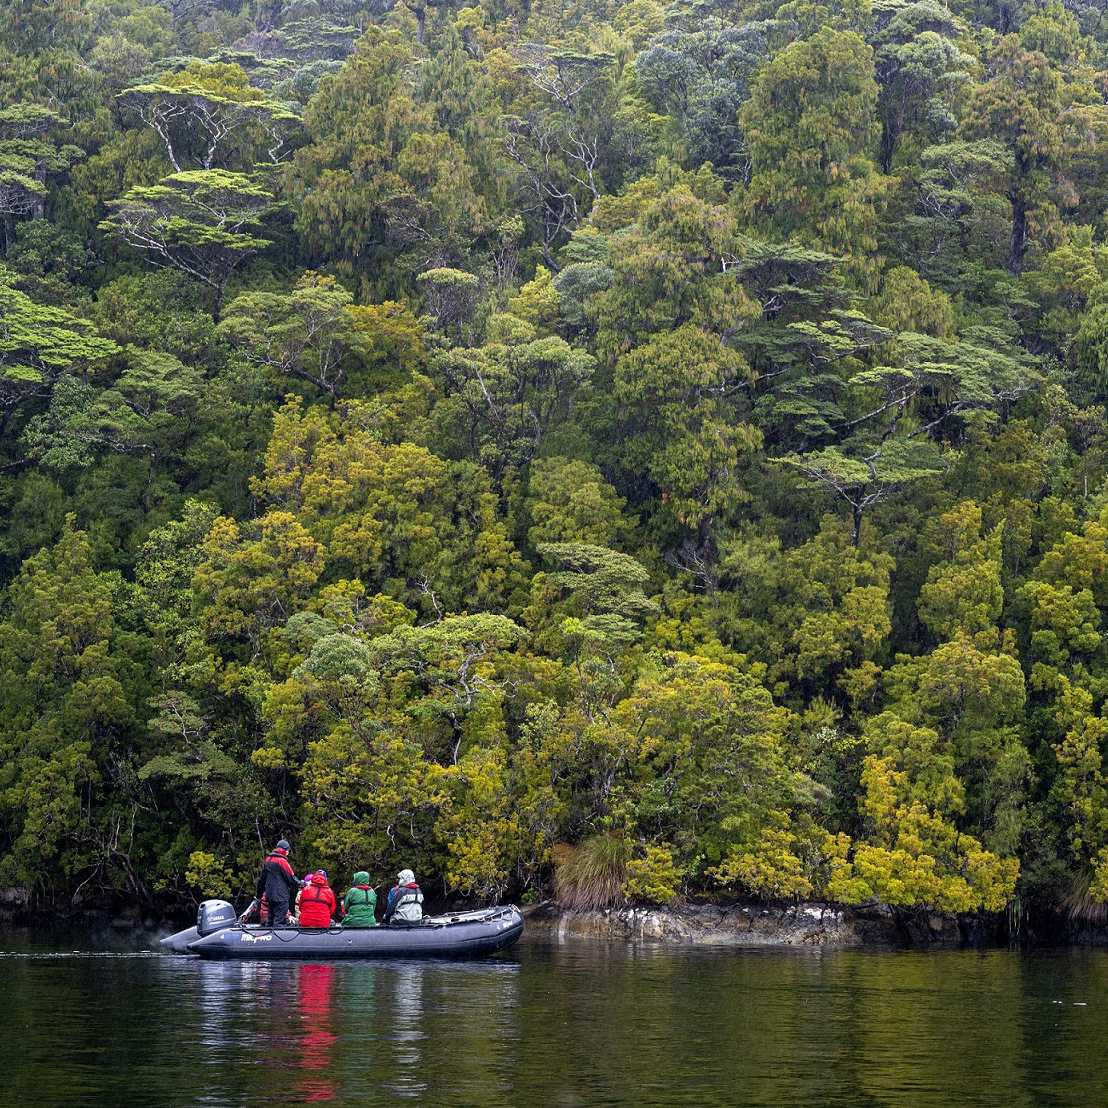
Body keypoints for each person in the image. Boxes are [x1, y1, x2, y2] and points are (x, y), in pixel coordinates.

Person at [255, 838, 300, 925]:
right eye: (288, 850)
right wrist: (301, 883)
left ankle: (269, 937)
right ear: (284, 850)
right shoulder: (282, 861)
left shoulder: (268, 860)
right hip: (281, 897)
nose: (288, 853)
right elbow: (291, 878)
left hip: (270, 896)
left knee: (270, 919)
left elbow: (262, 879)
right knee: (280, 921)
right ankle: (278, 936)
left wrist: (259, 894)